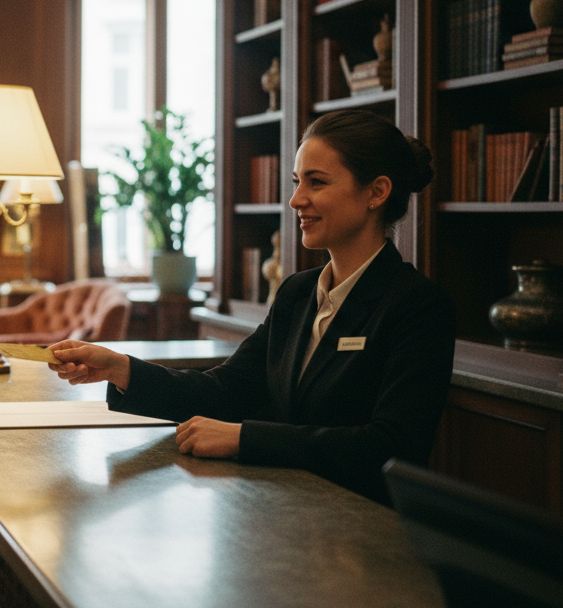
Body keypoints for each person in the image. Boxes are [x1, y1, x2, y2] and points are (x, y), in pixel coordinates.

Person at [49, 109, 454, 504]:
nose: (296, 200)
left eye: (316, 182)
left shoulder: (418, 305)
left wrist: (244, 438)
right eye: (297, 182)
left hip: (361, 535)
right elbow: (225, 390)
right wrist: (121, 368)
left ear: (377, 192)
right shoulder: (297, 293)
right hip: (280, 509)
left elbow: (391, 447)